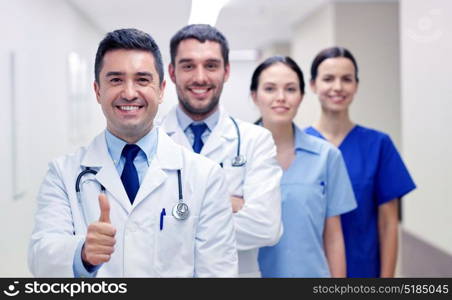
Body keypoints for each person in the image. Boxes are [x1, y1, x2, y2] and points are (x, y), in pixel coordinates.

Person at [28, 28, 238, 277]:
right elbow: (40, 259)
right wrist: (82, 254)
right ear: (97, 91)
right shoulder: (63, 174)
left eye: (142, 80)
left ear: (160, 90)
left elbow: (218, 273)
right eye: (116, 80)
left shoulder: (205, 175)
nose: (129, 93)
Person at [160, 24, 282, 277]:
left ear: (226, 71)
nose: (200, 77)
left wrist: (175, 215)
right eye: (188, 65)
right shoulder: (149, 140)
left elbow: (266, 227)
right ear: (172, 72)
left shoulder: (256, 141)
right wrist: (223, 205)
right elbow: (138, 228)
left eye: (211, 65)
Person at [305, 46, 416, 277]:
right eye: (328, 79)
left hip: (363, 272)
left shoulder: (378, 145)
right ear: (313, 85)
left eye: (346, 79)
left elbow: (388, 223)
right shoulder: (299, 146)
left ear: (356, 85)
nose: (338, 87)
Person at [250, 56, 356, 277]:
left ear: (301, 96)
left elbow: (334, 237)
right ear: (254, 96)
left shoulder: (327, 156)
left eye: (290, 89)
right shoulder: (235, 155)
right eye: (270, 89)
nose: (281, 98)